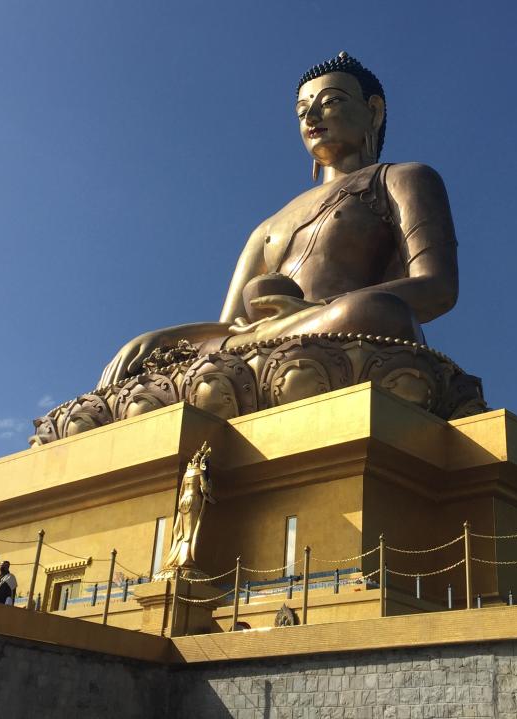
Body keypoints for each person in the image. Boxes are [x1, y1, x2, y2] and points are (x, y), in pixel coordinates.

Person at [99, 52, 458, 387]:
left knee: (378, 313)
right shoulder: (269, 225)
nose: (312, 118)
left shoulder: (402, 178)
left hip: (339, 330)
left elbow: (436, 286)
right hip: (260, 345)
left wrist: (316, 309)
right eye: (302, 111)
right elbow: (231, 327)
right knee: (159, 361)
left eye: (330, 102)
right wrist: (163, 340)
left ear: (374, 111)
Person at [157, 443, 215, 578]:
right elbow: (205, 488)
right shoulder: (199, 472)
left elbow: (181, 491)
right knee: (189, 531)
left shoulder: (187, 473)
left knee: (181, 532)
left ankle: (177, 558)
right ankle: (185, 559)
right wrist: (209, 485)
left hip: (183, 501)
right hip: (194, 500)